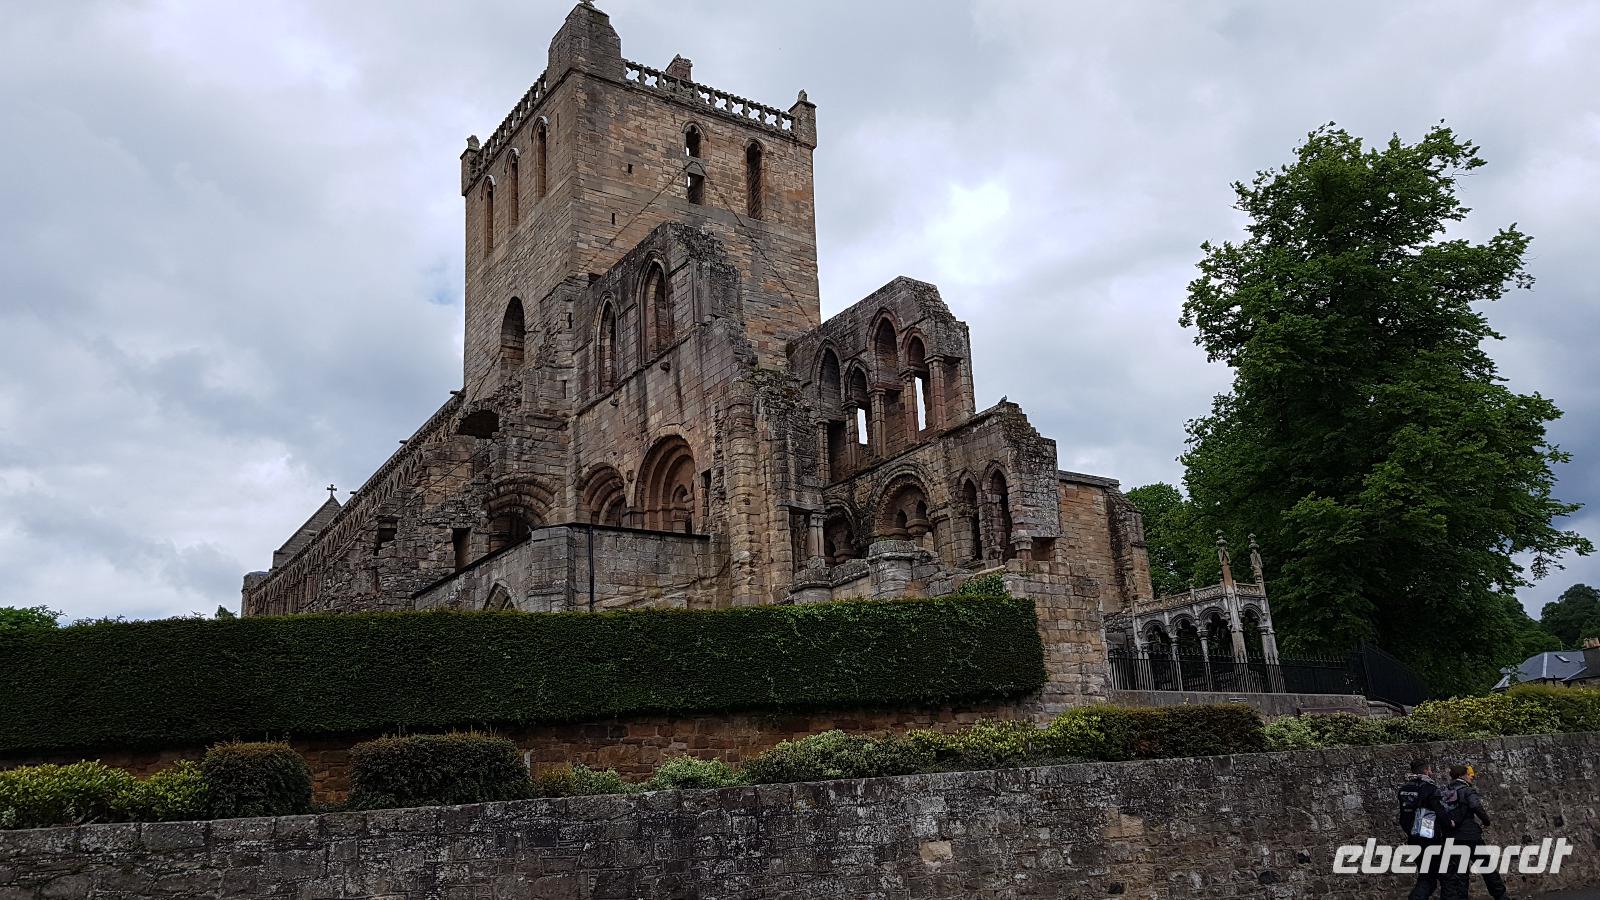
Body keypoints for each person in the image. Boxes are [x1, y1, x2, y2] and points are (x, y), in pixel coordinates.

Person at [1441, 764, 1510, 900]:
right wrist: (1486, 821)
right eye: (1469, 774)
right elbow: (1475, 806)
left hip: (1452, 837)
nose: (1472, 777)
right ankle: (1501, 896)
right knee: (1486, 867)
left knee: (1460, 873)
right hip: (1470, 835)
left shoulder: (1445, 791)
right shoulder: (1467, 790)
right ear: (1462, 775)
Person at [1397, 759, 1447, 900]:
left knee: (1427, 875)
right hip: (1430, 839)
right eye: (1430, 770)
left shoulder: (1404, 789)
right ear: (1426, 770)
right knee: (1433, 878)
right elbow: (1439, 811)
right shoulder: (1429, 788)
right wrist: (1449, 824)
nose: (1431, 772)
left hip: (1413, 838)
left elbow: (1404, 816)